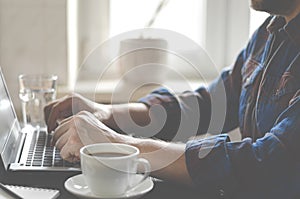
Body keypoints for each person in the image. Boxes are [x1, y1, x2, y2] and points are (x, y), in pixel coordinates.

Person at [44, 0, 300, 198]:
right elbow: (209, 104)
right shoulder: (269, 33)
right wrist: (108, 114)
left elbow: (268, 164)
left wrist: (115, 144)